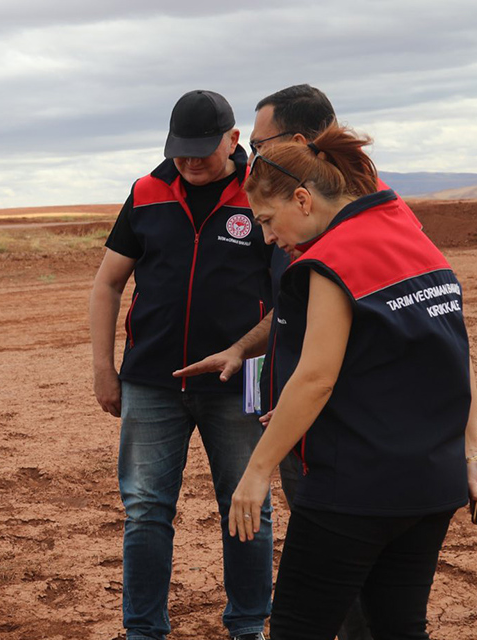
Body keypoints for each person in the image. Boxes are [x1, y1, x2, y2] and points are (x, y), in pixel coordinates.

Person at [228, 124, 477, 639]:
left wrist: (256, 472)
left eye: (267, 220)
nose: (268, 237)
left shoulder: (330, 260)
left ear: (303, 199)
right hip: (431, 486)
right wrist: (469, 455)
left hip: (352, 492)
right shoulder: (407, 234)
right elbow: (454, 355)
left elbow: (315, 379)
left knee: (297, 629)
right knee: (398, 628)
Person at [174, 85, 426, 640]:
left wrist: (260, 465)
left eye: (260, 145)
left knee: (327, 599)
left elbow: (321, 367)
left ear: (296, 146)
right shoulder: (325, 226)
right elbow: (295, 320)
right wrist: (246, 354)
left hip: (350, 450)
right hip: (341, 433)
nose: (255, 158)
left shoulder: (352, 230)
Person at [88, 90, 273, 640]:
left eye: (203, 152)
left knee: (249, 507)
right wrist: (103, 366)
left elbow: (294, 290)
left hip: (243, 378)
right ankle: (143, 631)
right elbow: (108, 282)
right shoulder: (146, 192)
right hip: (151, 380)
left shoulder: (263, 191)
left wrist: (257, 357)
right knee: (145, 511)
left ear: (233, 140)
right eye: (180, 152)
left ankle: (247, 628)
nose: (191, 163)